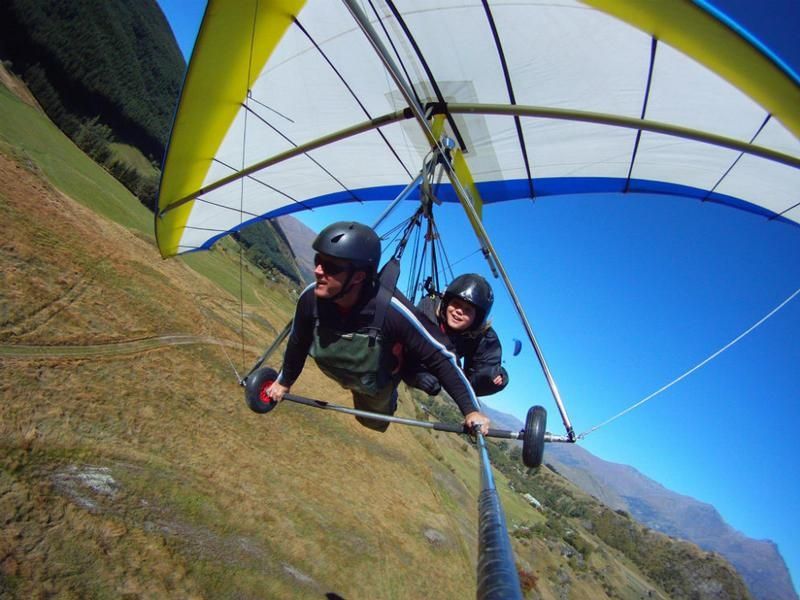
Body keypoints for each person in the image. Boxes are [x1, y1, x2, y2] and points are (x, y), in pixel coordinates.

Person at [265, 221, 491, 434]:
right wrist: (284, 382)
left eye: (331, 267)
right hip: (338, 367)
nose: (318, 271)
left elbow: (441, 356)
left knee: (371, 421)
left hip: (374, 382)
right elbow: (298, 341)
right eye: (318, 261)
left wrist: (471, 410)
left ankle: (390, 395)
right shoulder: (310, 298)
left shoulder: (392, 311)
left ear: (358, 277)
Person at [405, 274, 508, 397]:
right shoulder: (428, 311)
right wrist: (416, 375)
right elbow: (403, 349)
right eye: (456, 304)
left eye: (468, 310)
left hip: (436, 367)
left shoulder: (481, 334)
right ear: (446, 303)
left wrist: (491, 377)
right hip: (403, 362)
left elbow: (477, 377)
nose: (459, 311)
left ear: (477, 319)